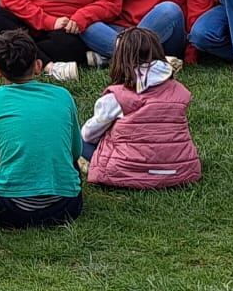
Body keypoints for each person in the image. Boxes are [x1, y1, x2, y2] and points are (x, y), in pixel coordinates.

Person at [0, 29, 84, 228]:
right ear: (38, 66)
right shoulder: (63, 95)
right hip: (67, 205)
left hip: (11, 207)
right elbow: (75, 151)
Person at [80, 27, 201, 189]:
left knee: (77, 138)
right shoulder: (179, 91)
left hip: (125, 172)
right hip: (179, 170)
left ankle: (90, 164)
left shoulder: (116, 96)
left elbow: (89, 135)